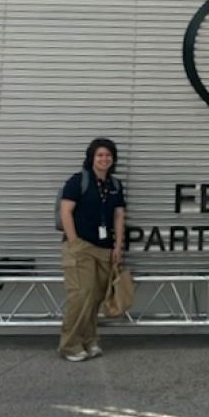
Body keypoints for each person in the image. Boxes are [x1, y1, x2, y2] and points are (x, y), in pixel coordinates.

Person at [58, 138, 126, 362]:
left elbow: (118, 215)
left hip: (104, 248)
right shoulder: (79, 181)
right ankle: (69, 345)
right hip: (81, 246)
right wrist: (74, 241)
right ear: (91, 158)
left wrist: (117, 245)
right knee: (81, 295)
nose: (104, 159)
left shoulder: (114, 185)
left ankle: (89, 339)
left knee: (96, 297)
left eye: (108, 155)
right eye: (100, 155)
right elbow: (65, 211)